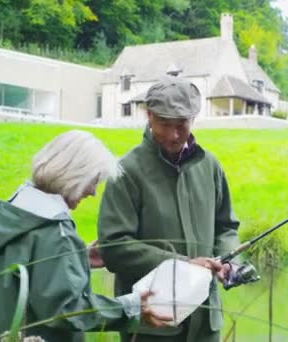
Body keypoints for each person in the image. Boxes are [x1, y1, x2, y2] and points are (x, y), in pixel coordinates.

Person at [0, 130, 171, 342]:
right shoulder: (53, 232)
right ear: (75, 175)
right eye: (94, 181)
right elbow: (68, 311)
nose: (94, 192)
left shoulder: (17, 215)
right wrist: (130, 306)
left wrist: (77, 259)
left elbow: (32, 276)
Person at [97, 76, 241, 342]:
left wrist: (229, 261)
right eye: (165, 124)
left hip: (206, 322)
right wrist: (185, 265)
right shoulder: (127, 171)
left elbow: (226, 226)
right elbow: (114, 247)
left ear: (193, 119)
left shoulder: (209, 166)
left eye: (182, 125)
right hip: (151, 324)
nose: (174, 135)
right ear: (149, 116)